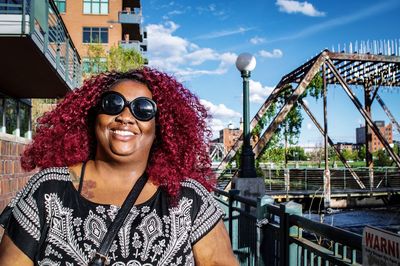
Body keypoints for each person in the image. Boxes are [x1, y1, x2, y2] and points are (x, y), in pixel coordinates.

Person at [0, 67, 238, 265]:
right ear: (95, 117)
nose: (125, 116)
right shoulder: (48, 189)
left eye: (143, 109)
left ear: (160, 127)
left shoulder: (188, 199)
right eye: (113, 103)